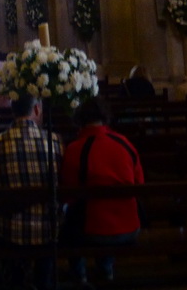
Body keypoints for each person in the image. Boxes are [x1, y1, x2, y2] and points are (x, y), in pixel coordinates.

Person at [0, 93, 62, 290]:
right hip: (48, 230)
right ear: (37, 109)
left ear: (13, 111)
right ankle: (43, 276)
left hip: (8, 232)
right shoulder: (55, 142)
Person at [60, 96, 144, 286]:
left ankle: (78, 273)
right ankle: (106, 269)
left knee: (73, 218)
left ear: (79, 120)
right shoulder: (124, 143)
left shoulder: (75, 148)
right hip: (129, 227)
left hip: (92, 232)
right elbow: (139, 184)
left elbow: (68, 194)